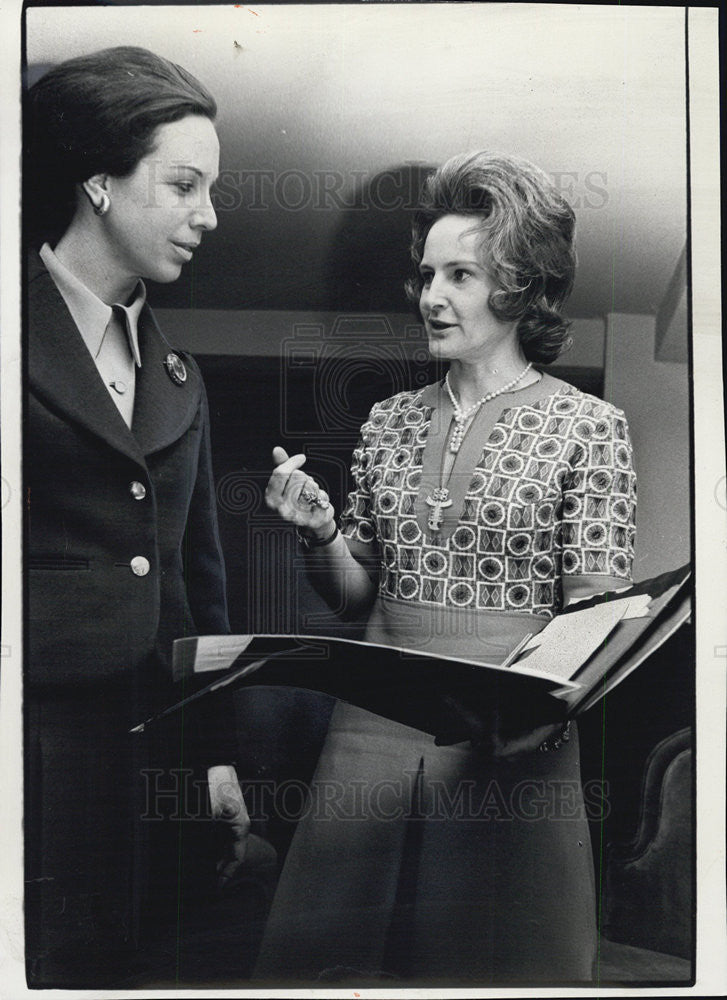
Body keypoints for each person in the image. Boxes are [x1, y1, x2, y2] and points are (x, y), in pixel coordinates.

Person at [261, 151, 637, 983]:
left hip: (511, 740)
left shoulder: (589, 426)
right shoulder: (387, 421)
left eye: (460, 274)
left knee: (497, 967)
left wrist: (534, 712)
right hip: (369, 732)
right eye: (427, 273)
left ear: (519, 284)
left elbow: (597, 616)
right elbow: (355, 595)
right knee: (333, 962)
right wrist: (320, 534)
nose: (431, 296)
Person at [23, 46, 260, 987]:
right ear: (98, 182)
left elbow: (198, 592)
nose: (209, 215)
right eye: (184, 184)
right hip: (30, 740)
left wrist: (216, 761)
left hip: (150, 757)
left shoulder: (180, 379)